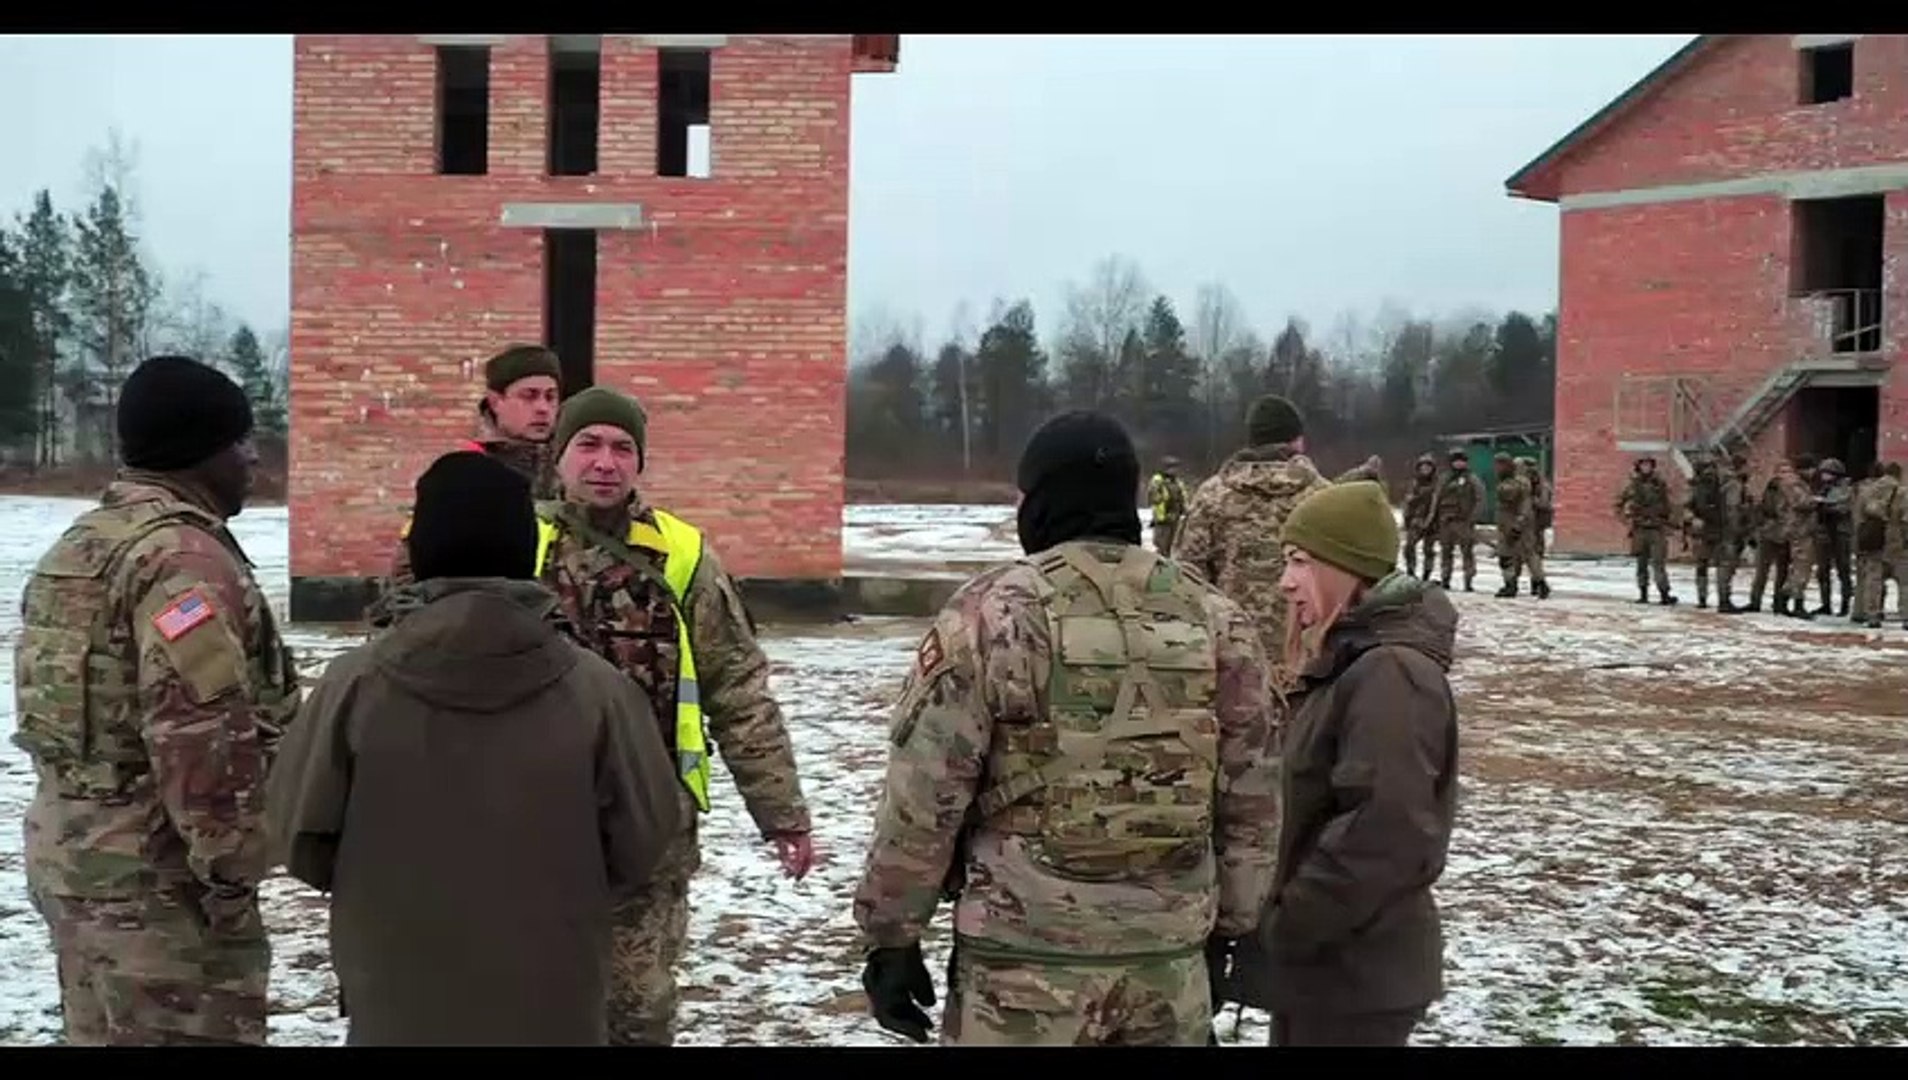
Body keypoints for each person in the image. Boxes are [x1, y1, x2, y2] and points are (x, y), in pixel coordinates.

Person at [852, 410, 1282, 1047]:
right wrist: (1233, 926)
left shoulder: (992, 613)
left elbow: (924, 794)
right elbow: (1254, 792)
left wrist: (892, 936)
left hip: (1022, 975)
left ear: (1042, 497)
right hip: (1166, 966)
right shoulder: (1216, 618)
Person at [266, 451, 683, 1045]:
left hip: (397, 994)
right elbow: (644, 841)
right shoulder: (600, 694)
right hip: (554, 997)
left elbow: (300, 837)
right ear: (524, 550)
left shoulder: (354, 686)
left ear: (425, 547)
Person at [13, 355, 301, 1045]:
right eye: (240, 441)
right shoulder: (180, 560)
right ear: (200, 452)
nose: (253, 458)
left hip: (75, 863)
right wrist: (231, 875)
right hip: (158, 894)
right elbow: (198, 732)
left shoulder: (84, 543)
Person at [533, 385, 816, 1045]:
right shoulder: (519, 543)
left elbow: (738, 688)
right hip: (532, 823)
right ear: (559, 456)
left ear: (639, 462)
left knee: (637, 1009)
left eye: (622, 448)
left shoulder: (683, 555)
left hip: (648, 824)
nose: (605, 462)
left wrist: (782, 813)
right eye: (589, 445)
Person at [1227, 480, 1459, 1047]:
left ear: (1345, 568)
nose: (1285, 583)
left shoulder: (1391, 673)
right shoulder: (1349, 664)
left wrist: (1290, 922)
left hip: (1357, 976)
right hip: (1328, 973)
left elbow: (1388, 829)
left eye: (1301, 563)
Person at [368, 343, 564, 625]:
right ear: (496, 401)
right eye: (529, 396)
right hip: (477, 625)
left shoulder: (572, 468)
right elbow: (412, 567)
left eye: (551, 397)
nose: (543, 408)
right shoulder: (462, 475)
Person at [1173, 394, 1330, 690]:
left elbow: (1186, 578)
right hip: (1306, 660)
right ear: (1296, 440)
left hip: (1231, 659)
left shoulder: (1212, 496)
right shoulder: (1324, 497)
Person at [1147, 455, 1191, 557]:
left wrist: (1185, 510)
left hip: (1175, 518)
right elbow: (1153, 498)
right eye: (1172, 467)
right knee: (1161, 546)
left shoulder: (1177, 482)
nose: (1174, 470)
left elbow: (1183, 496)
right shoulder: (1157, 480)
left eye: (1176, 468)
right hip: (1163, 518)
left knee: (1174, 546)